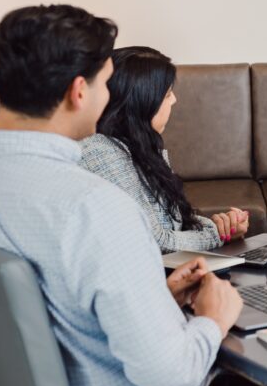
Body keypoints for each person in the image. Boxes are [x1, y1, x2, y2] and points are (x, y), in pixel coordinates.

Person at [0, 5, 244, 386]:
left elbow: (35, 318)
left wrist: (154, 298)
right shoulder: (94, 208)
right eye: (105, 84)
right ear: (78, 92)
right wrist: (213, 318)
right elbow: (171, 373)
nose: (108, 98)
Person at [79, 46, 249, 251]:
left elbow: (171, 223)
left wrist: (220, 227)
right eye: (167, 94)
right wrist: (218, 235)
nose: (175, 100)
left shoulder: (140, 145)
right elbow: (156, 240)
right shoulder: (101, 151)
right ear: (142, 101)